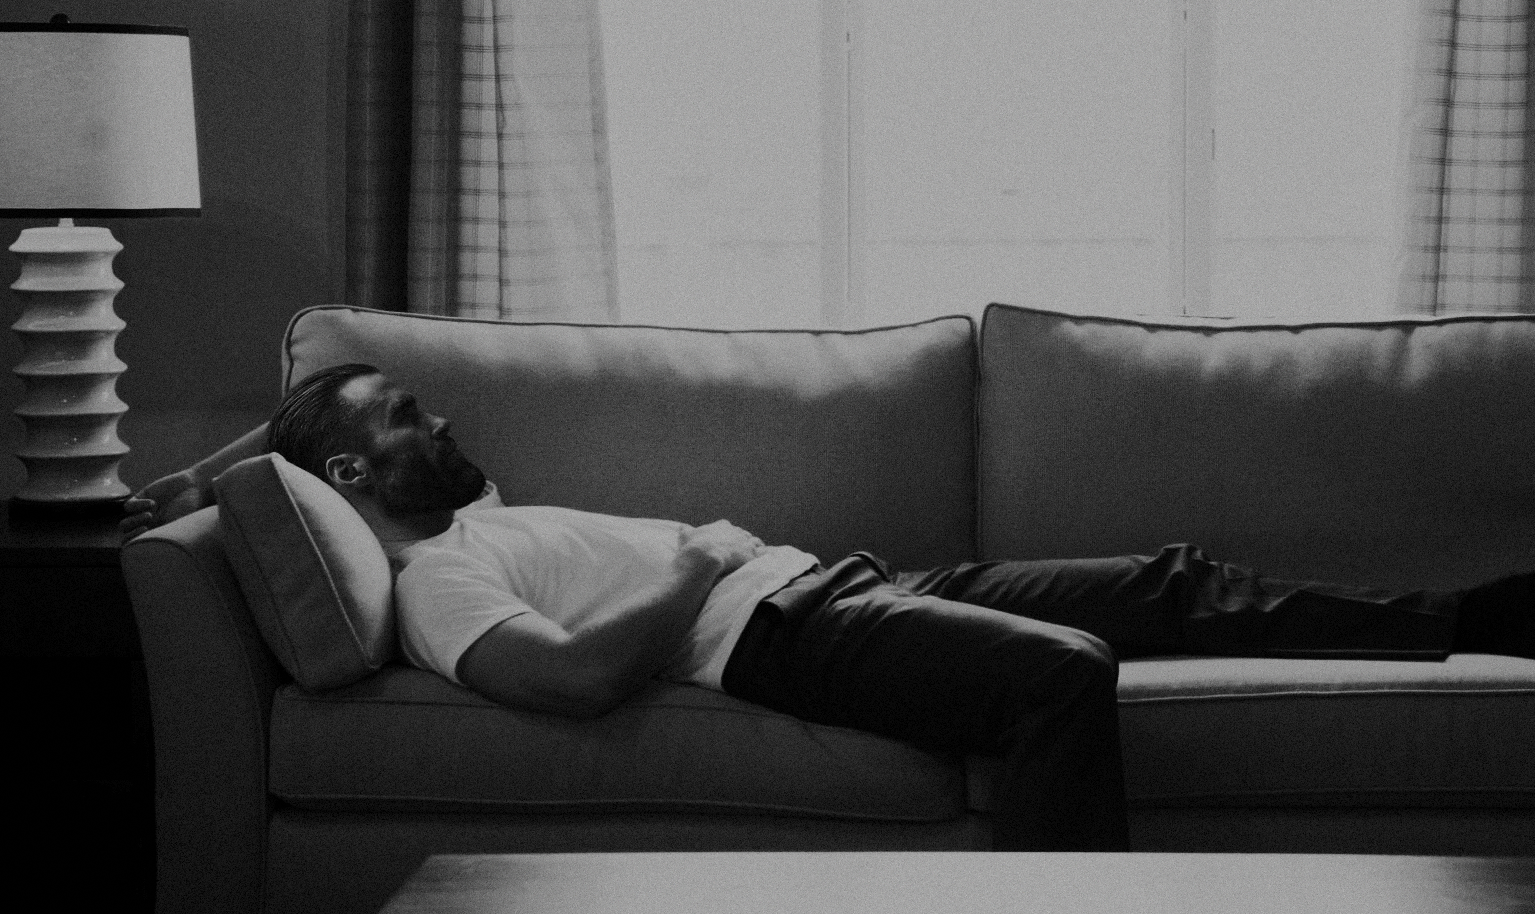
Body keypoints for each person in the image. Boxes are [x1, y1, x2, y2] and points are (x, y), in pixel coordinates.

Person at [121, 363, 1535, 852]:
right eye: (406, 415)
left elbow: (292, 450)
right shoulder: (437, 578)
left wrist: (209, 470)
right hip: (784, 630)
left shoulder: (453, 514)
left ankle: (1472, 614)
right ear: (358, 472)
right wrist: (695, 564)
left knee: (1170, 578)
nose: (440, 418)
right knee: (1062, 672)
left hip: (848, 581)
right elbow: (564, 680)